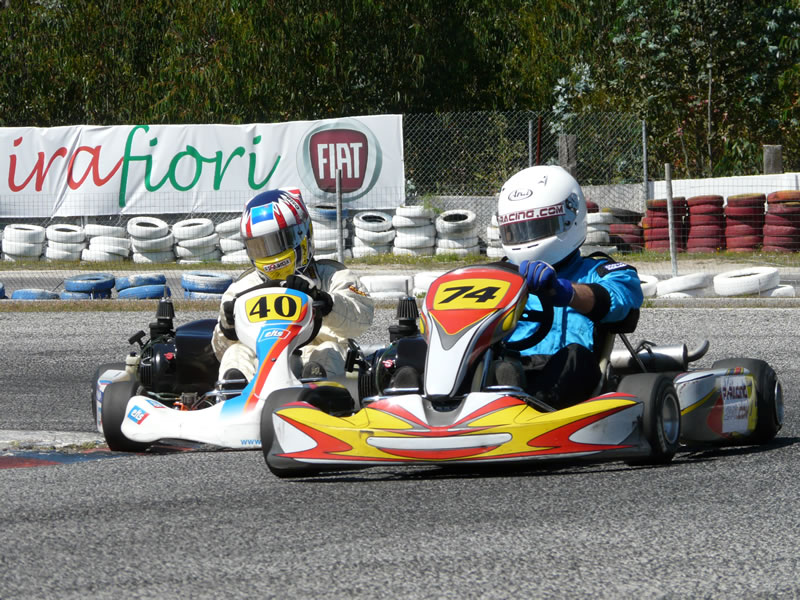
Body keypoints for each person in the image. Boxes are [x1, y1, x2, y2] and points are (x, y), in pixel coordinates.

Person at [496, 165, 643, 408]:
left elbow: (620, 301)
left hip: (566, 376)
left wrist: (565, 291)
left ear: (569, 218)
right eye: (517, 231)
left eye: (538, 228)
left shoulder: (601, 271)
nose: (527, 237)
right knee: (489, 361)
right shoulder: (500, 277)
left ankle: (532, 410)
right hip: (510, 369)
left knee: (575, 355)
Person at [211, 188, 374, 383]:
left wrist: (326, 303)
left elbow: (362, 319)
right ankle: (235, 392)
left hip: (313, 357)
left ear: (303, 234)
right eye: (260, 246)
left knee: (328, 350)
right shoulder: (240, 290)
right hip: (264, 360)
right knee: (235, 353)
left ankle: (318, 393)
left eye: (277, 242)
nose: (270, 253)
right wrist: (227, 327)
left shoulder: (332, 276)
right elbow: (220, 351)